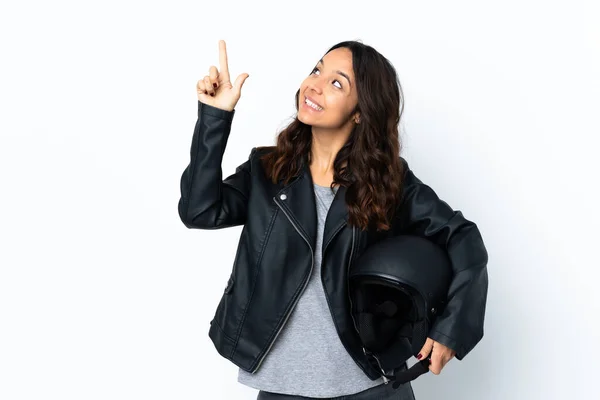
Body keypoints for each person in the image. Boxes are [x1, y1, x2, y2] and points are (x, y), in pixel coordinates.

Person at [178, 39, 489, 400]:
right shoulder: (266, 171)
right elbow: (199, 211)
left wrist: (450, 330)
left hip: (369, 385)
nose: (315, 84)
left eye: (337, 83)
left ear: (361, 111)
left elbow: (463, 238)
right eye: (316, 70)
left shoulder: (389, 184)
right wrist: (214, 117)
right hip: (281, 387)